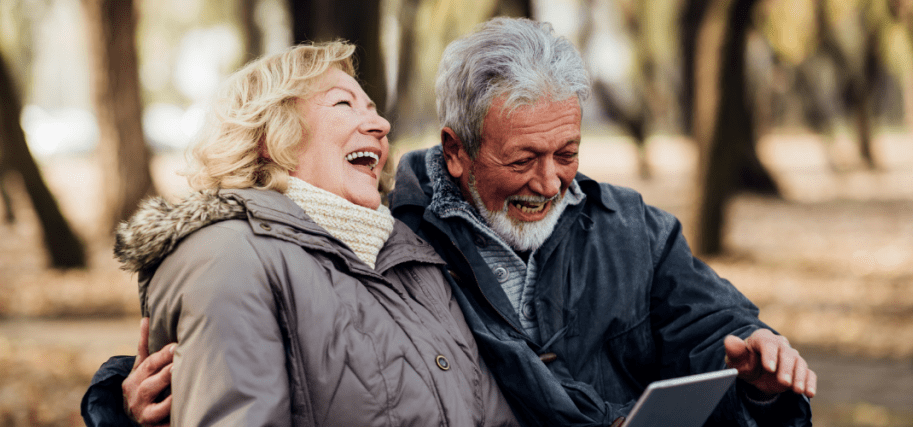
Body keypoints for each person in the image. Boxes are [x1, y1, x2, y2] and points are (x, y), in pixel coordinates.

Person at [91, 18, 817, 427]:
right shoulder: (404, 231)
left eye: (567, 152)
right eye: (523, 157)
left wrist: (761, 365)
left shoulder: (632, 229)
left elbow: (717, 329)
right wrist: (118, 403)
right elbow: (238, 350)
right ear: (456, 151)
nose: (551, 180)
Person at [81, 41, 519, 426]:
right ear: (272, 138)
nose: (381, 124)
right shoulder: (229, 257)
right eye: (344, 105)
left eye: (372, 108)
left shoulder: (408, 253)